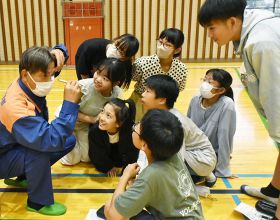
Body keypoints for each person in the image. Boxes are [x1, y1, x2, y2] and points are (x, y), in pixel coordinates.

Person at [198, 0, 280, 218]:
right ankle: (274, 191)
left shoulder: (262, 42)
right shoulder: (250, 36)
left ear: (232, 22)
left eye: (211, 29)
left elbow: (276, 93)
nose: (210, 36)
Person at [0, 46, 82, 215]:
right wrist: (70, 104)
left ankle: (24, 176)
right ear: (25, 74)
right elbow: (50, 140)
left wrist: (60, 50)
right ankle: (37, 202)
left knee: (69, 140)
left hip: (12, 146)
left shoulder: (29, 81)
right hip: (3, 157)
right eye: (46, 75)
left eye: (52, 73)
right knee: (40, 150)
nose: (50, 80)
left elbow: (50, 66)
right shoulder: (16, 108)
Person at [104, 109, 204, 219]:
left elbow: (113, 215)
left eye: (135, 128)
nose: (134, 128)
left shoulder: (150, 176)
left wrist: (125, 176)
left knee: (109, 207)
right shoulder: (173, 154)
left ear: (144, 145)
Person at [139, 75, 217, 186]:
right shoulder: (158, 112)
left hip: (203, 160)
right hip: (193, 154)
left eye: (147, 91)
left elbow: (177, 159)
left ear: (161, 100)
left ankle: (201, 176)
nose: (142, 94)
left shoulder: (176, 122)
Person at [60, 58, 127, 165]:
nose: (98, 79)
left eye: (105, 78)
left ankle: (72, 142)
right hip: (68, 122)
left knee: (87, 158)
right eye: (98, 73)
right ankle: (64, 139)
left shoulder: (117, 94)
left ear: (115, 83)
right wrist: (92, 119)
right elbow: (67, 111)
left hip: (85, 126)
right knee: (72, 160)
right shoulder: (83, 87)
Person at [187, 69, 237, 182]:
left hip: (209, 152)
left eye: (209, 82)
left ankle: (208, 174)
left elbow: (225, 137)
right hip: (192, 148)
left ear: (221, 90)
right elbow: (187, 127)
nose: (204, 84)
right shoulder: (195, 100)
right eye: (204, 79)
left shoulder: (227, 105)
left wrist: (223, 169)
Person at [131, 28, 187, 121]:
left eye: (167, 45)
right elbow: (133, 78)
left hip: (163, 107)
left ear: (177, 50)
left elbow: (178, 89)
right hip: (140, 102)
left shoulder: (182, 69)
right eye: (160, 42)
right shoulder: (143, 62)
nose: (161, 47)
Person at [88, 98, 139, 177]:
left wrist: (128, 171)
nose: (101, 118)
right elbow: (97, 155)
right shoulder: (94, 132)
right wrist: (108, 167)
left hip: (120, 155)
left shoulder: (130, 132)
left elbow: (132, 153)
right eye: (102, 111)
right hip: (106, 156)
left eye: (108, 116)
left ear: (118, 123)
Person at [75, 34, 139, 83]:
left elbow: (117, 82)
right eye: (116, 44)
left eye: (121, 52)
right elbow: (83, 74)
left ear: (126, 58)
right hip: (84, 58)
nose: (116, 49)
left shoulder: (125, 62)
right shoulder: (91, 48)